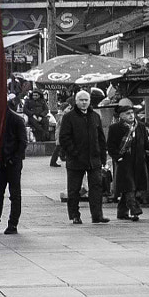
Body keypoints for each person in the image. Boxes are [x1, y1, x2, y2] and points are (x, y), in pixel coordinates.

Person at [56, 90, 108, 225]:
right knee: (74, 189)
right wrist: (74, 153)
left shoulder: (95, 116)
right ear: (76, 101)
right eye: (81, 100)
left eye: (86, 100)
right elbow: (64, 138)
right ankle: (74, 215)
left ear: (90, 101)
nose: (84, 103)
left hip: (94, 159)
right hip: (76, 159)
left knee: (96, 187)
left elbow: (101, 138)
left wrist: (102, 157)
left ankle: (97, 215)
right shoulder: (69, 117)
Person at [104, 101, 149, 222]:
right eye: (127, 113)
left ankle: (122, 212)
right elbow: (111, 146)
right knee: (129, 186)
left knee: (133, 186)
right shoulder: (115, 128)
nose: (131, 115)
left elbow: (145, 143)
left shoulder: (140, 126)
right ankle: (135, 209)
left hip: (138, 161)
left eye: (132, 113)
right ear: (121, 116)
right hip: (124, 162)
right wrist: (117, 157)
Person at [0, 94, 28, 233]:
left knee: (14, 194)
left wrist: (14, 158)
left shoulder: (16, 119)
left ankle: (13, 224)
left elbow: (23, 142)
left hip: (12, 163)